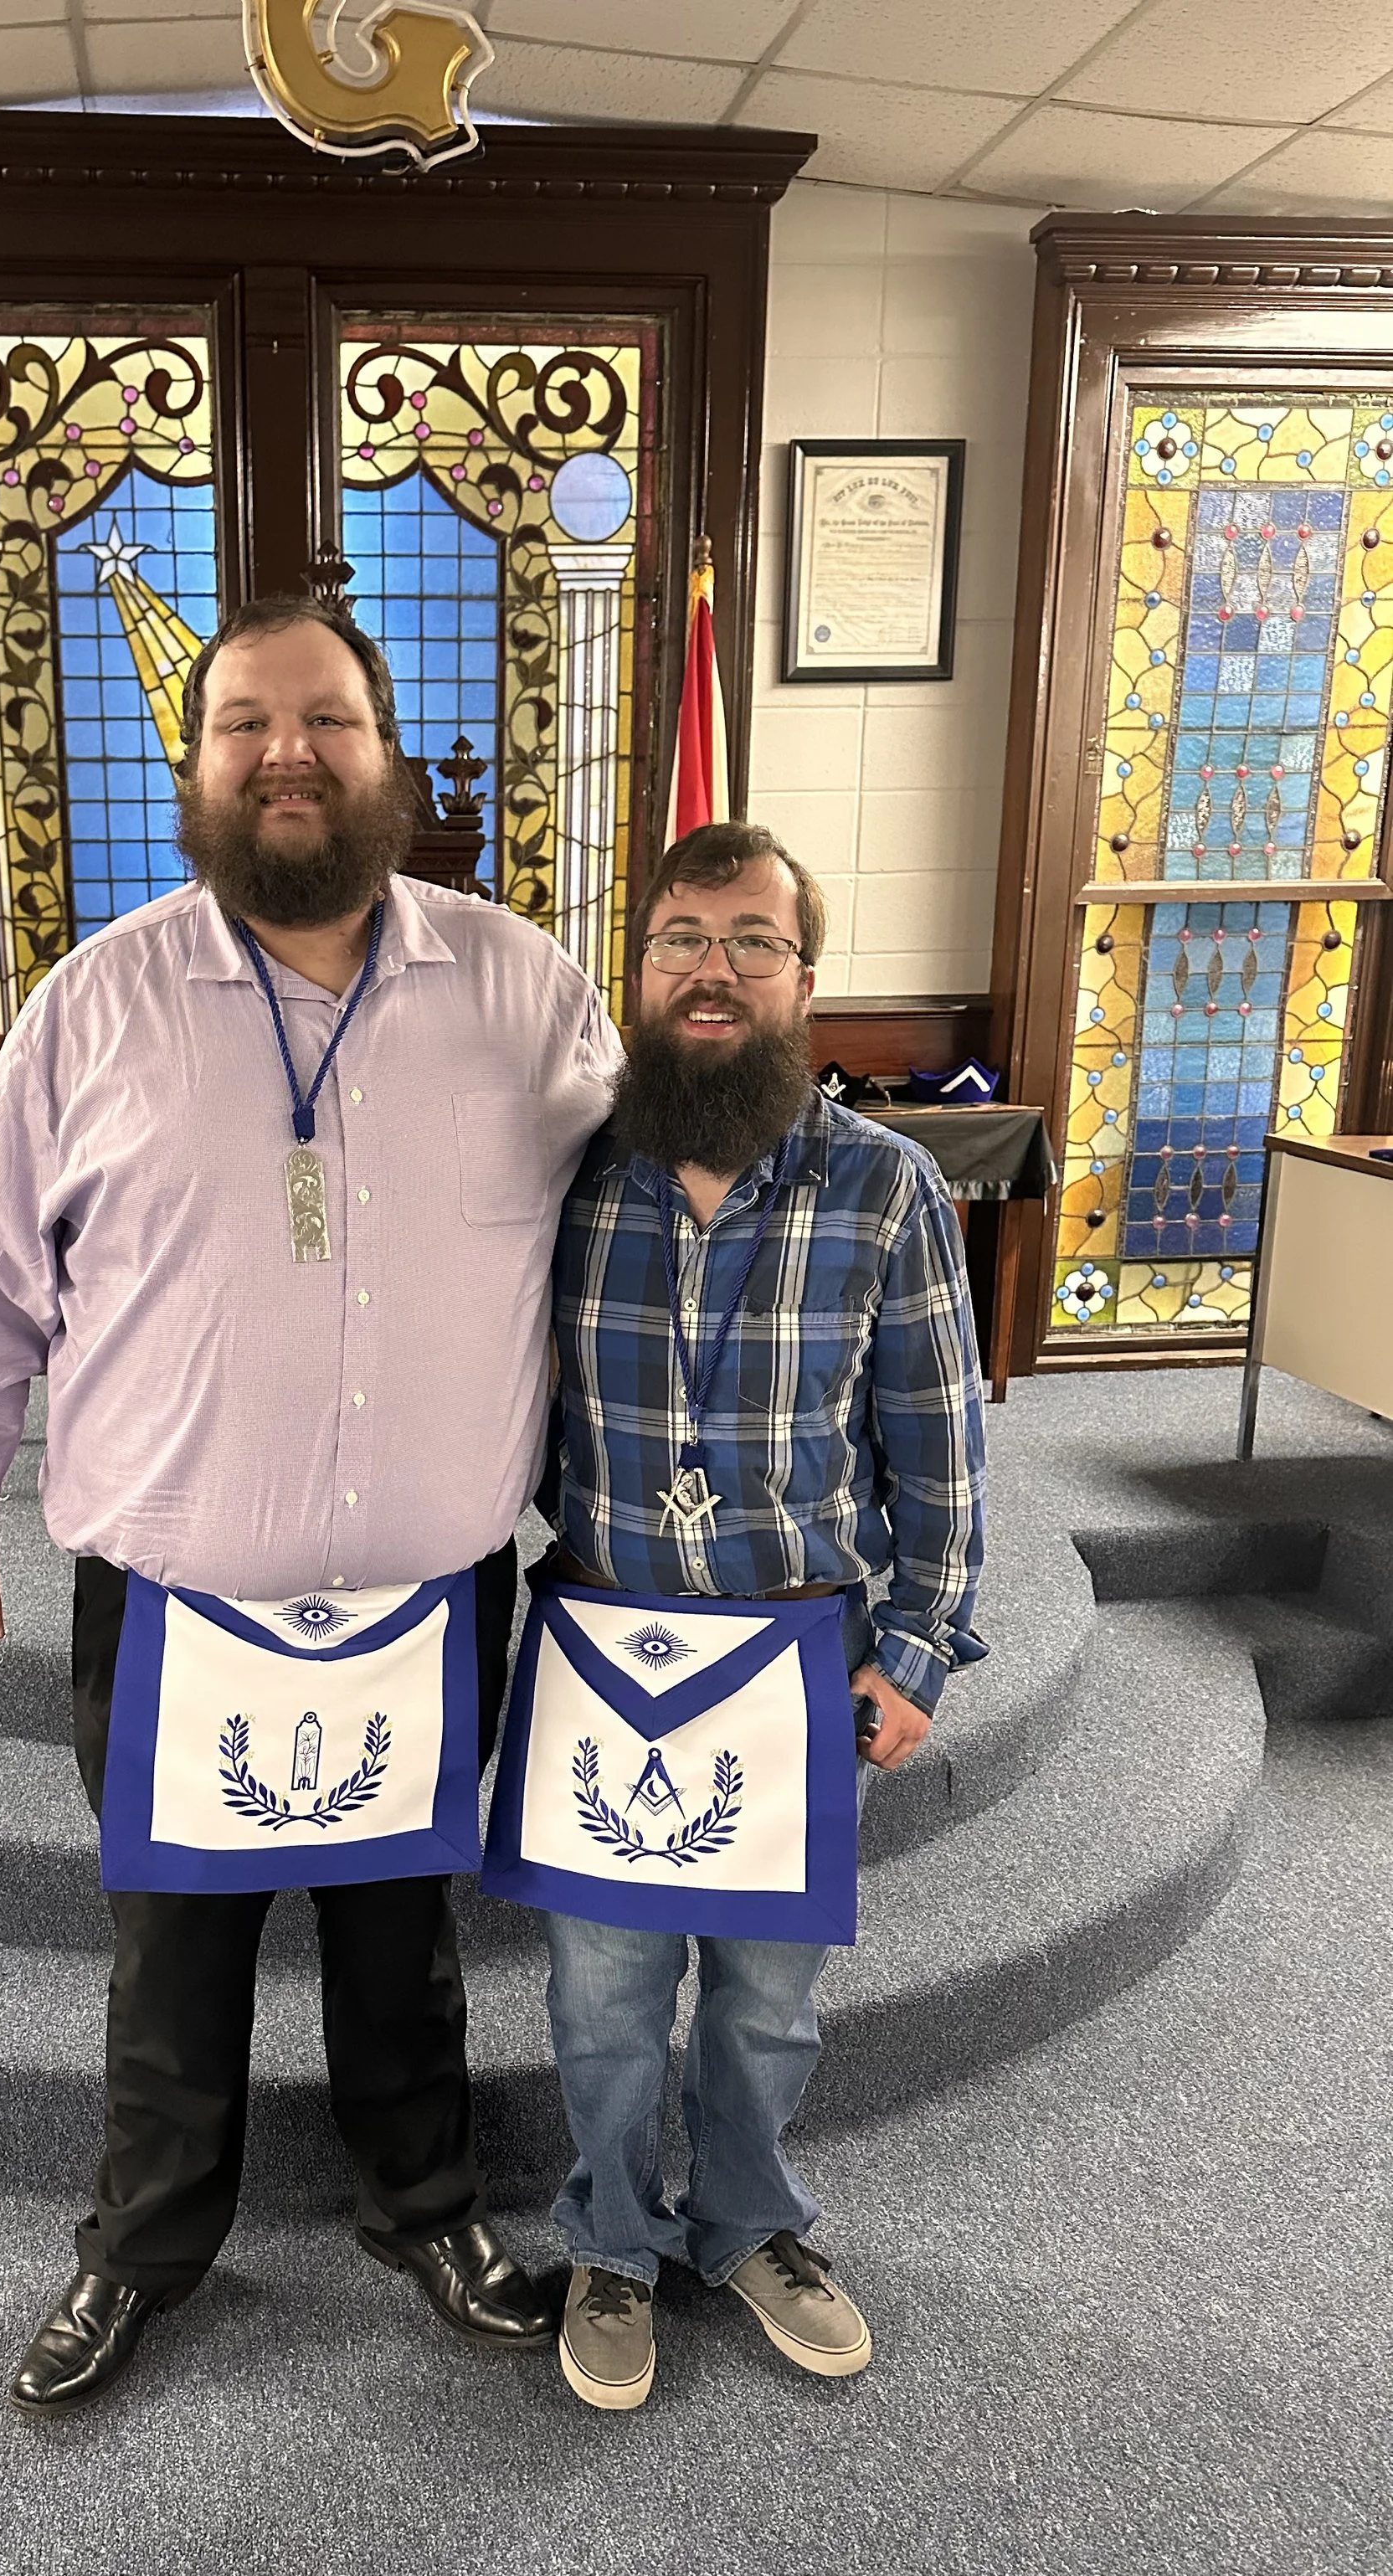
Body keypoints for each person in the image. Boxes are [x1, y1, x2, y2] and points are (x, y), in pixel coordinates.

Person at [0, 594, 620, 2417]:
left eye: (325, 721)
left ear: (386, 754)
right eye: (242, 724)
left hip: (427, 1593)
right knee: (173, 1952)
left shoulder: (521, 991)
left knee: (402, 1934)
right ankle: (137, 2248)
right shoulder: (96, 1004)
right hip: (172, 1601)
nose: (284, 753)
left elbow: (648, 1222)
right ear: (190, 759)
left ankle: (426, 2211)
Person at [529, 820, 985, 2412]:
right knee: (600, 1992)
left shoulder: (888, 1187)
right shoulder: (565, 1178)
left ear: (805, 977)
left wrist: (919, 1645)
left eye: (750, 942)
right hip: (604, 1640)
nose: (710, 971)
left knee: (766, 1999)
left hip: (798, 1651)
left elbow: (939, 1446)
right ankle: (610, 2234)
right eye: (677, 940)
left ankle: (746, 2221)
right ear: (635, 969)